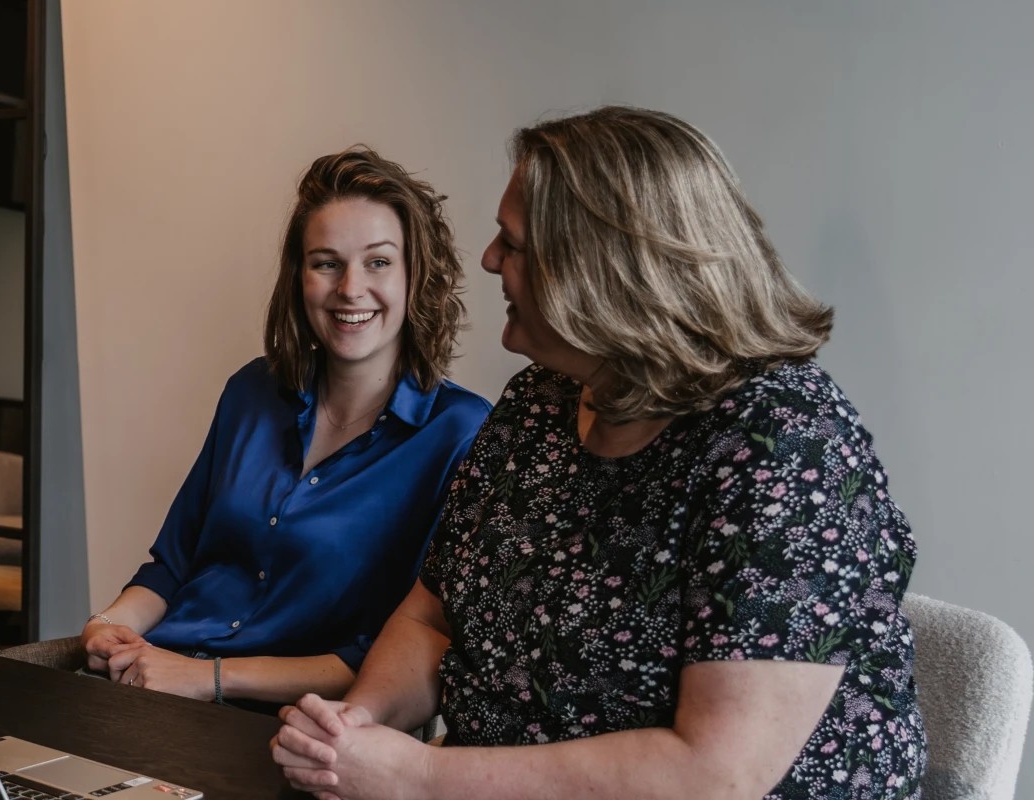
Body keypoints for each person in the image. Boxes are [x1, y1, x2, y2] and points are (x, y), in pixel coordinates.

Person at [272, 106, 924, 798]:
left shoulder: (787, 444)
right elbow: (432, 617)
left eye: (513, 244)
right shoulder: (538, 405)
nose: (490, 259)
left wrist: (422, 776)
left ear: (602, 269)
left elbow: (715, 773)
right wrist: (353, 729)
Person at [83, 147, 492, 706]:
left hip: (286, 726)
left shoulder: (462, 434)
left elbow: (398, 655)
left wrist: (208, 679)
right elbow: (171, 567)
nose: (350, 288)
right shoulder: (251, 391)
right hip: (148, 683)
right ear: (299, 277)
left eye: (378, 262)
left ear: (415, 276)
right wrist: (107, 624)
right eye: (326, 262)